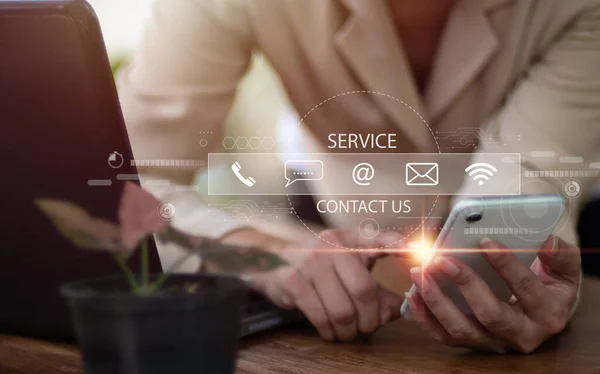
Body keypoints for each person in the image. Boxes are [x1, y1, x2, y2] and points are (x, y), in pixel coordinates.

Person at [117, 0, 600, 352]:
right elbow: (126, 188)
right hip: (334, 236)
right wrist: (265, 253)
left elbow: (530, 181)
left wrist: (531, 288)